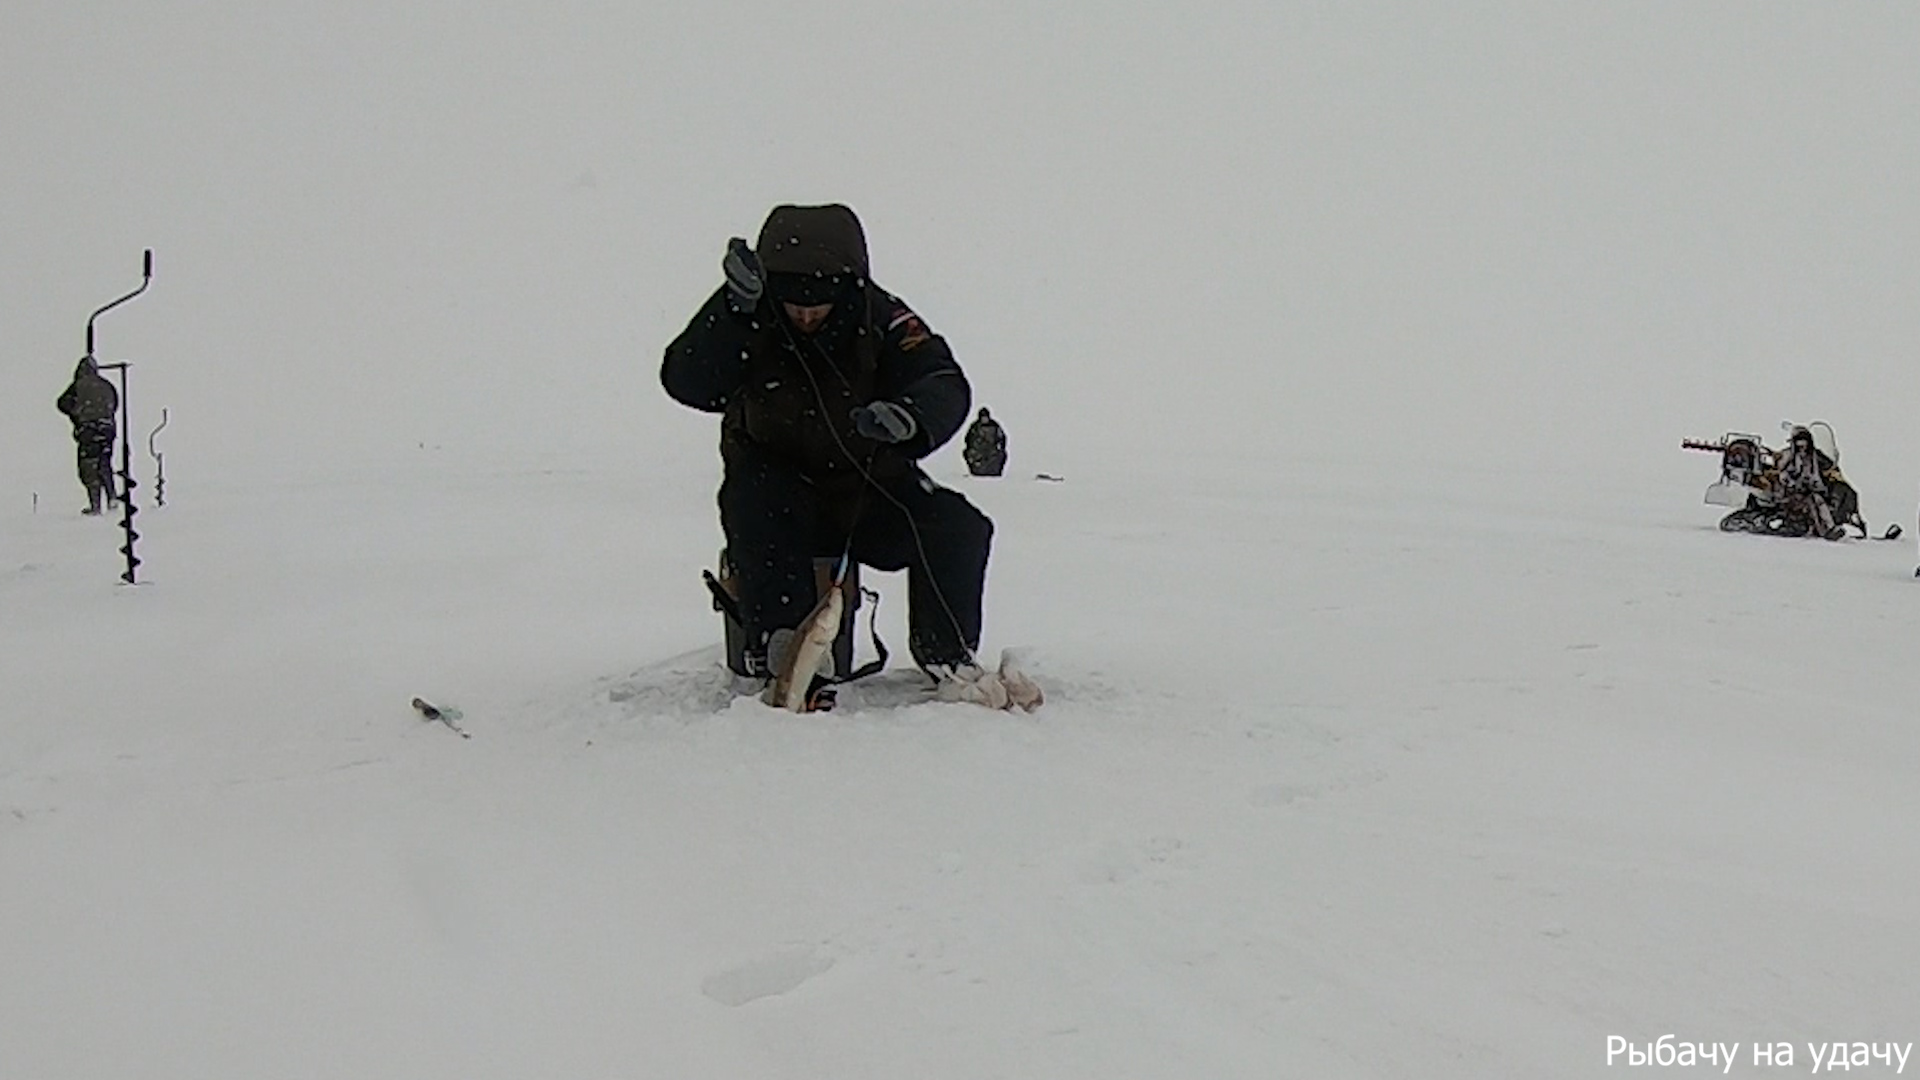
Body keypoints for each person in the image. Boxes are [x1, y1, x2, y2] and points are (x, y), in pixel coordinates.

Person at [661, 204, 1003, 703]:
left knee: (955, 526)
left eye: (818, 304)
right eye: (794, 302)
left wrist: (910, 417)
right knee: (760, 502)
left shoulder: (884, 317)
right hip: (770, 489)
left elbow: (941, 378)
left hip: (865, 485)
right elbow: (686, 381)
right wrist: (730, 311)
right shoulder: (746, 311)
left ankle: (947, 659)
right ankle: (786, 655)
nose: (805, 314)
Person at [56, 356, 119, 515]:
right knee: (105, 463)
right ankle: (112, 497)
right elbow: (115, 404)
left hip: (88, 431)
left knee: (89, 467)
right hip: (107, 429)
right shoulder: (106, 385)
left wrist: (77, 413)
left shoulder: (78, 385)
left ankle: (95, 505)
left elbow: (62, 403)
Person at [1774, 426, 1844, 541]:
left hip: (1811, 489)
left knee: (1819, 498)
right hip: (1791, 493)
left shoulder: (1816, 456)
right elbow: (1782, 473)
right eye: (1798, 441)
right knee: (1815, 500)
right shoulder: (1788, 457)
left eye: (1804, 440)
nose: (1802, 445)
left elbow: (1828, 465)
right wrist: (1793, 483)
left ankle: (1829, 524)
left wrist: (1832, 469)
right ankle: (1827, 529)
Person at [963, 406, 1008, 477]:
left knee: (1001, 455)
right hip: (978, 451)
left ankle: (994, 472)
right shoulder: (974, 427)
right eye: (983, 417)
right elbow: (968, 439)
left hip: (991, 450)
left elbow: (1002, 438)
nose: (984, 419)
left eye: (985, 417)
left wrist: (1000, 447)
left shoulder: (994, 426)